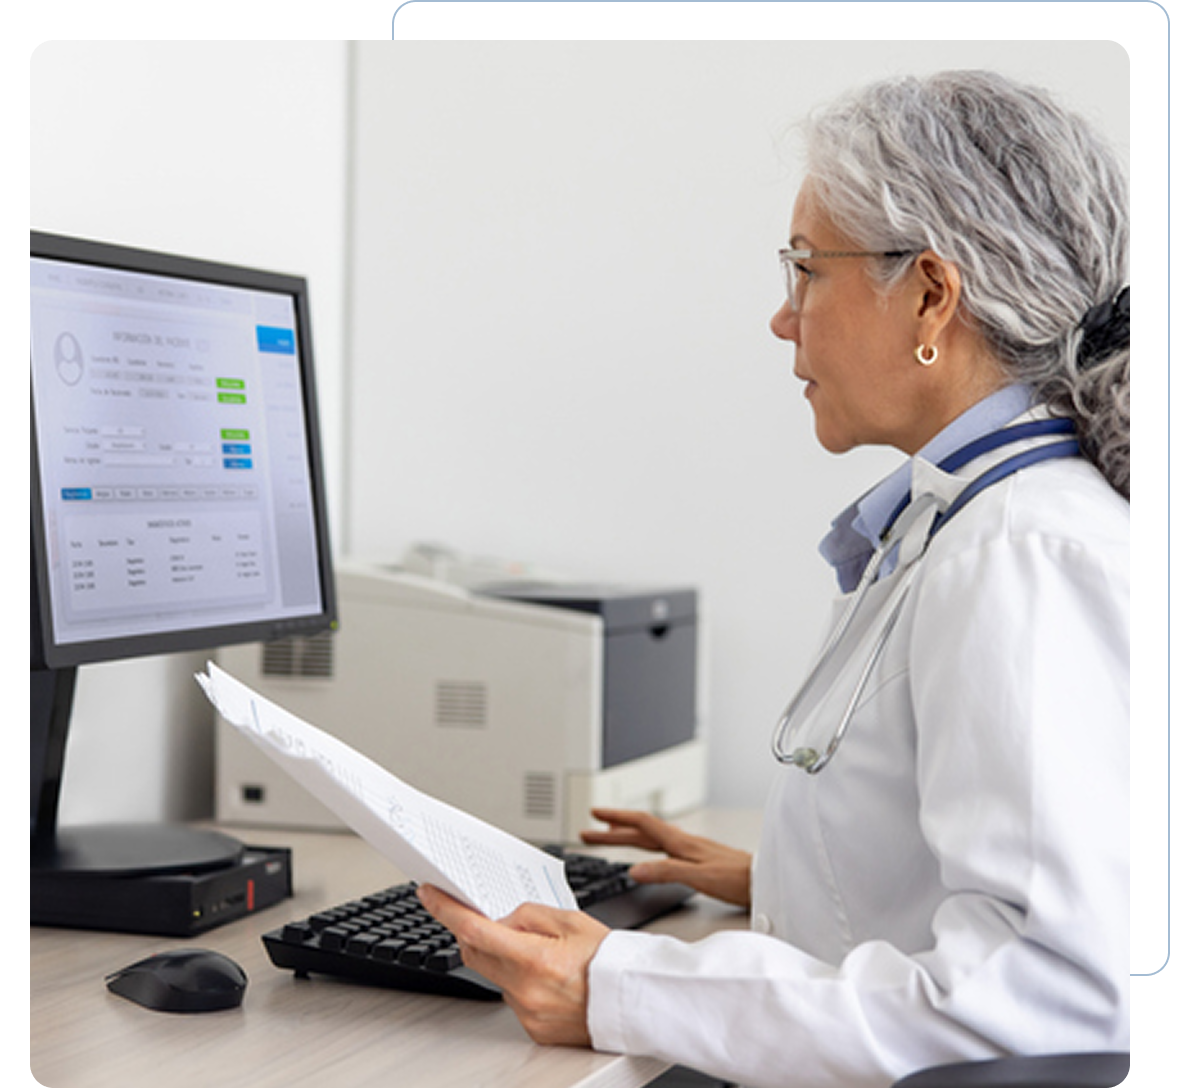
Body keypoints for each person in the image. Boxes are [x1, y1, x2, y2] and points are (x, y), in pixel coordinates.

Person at [418, 69, 1132, 1087]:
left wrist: (621, 984)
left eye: (806, 269)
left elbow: (1041, 1003)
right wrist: (784, 881)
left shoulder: (1020, 554)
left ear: (931, 293)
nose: (782, 318)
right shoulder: (980, 521)